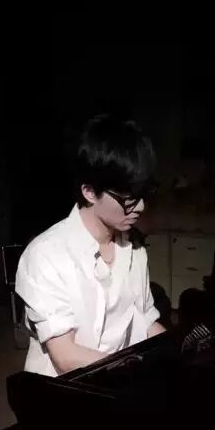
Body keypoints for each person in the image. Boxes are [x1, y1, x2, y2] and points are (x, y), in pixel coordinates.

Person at [15, 114, 167, 377]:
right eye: (128, 198)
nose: (140, 207)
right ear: (89, 192)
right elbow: (66, 357)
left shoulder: (135, 247)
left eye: (143, 194)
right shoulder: (46, 255)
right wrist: (135, 369)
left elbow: (145, 322)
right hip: (66, 389)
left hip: (120, 379)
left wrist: (178, 351)